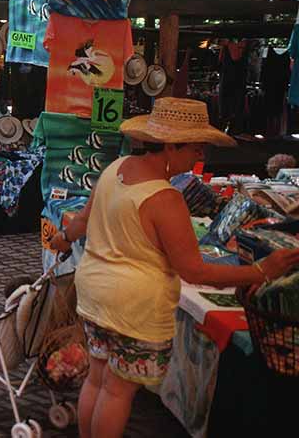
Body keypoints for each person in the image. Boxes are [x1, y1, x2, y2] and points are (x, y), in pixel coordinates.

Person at [52, 98, 299, 438]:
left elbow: (81, 221)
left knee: (98, 379)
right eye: (196, 148)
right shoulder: (164, 197)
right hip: (133, 305)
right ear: (171, 146)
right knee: (117, 390)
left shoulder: (117, 167)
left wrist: (63, 239)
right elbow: (195, 272)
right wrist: (261, 271)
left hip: (95, 292)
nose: (200, 157)